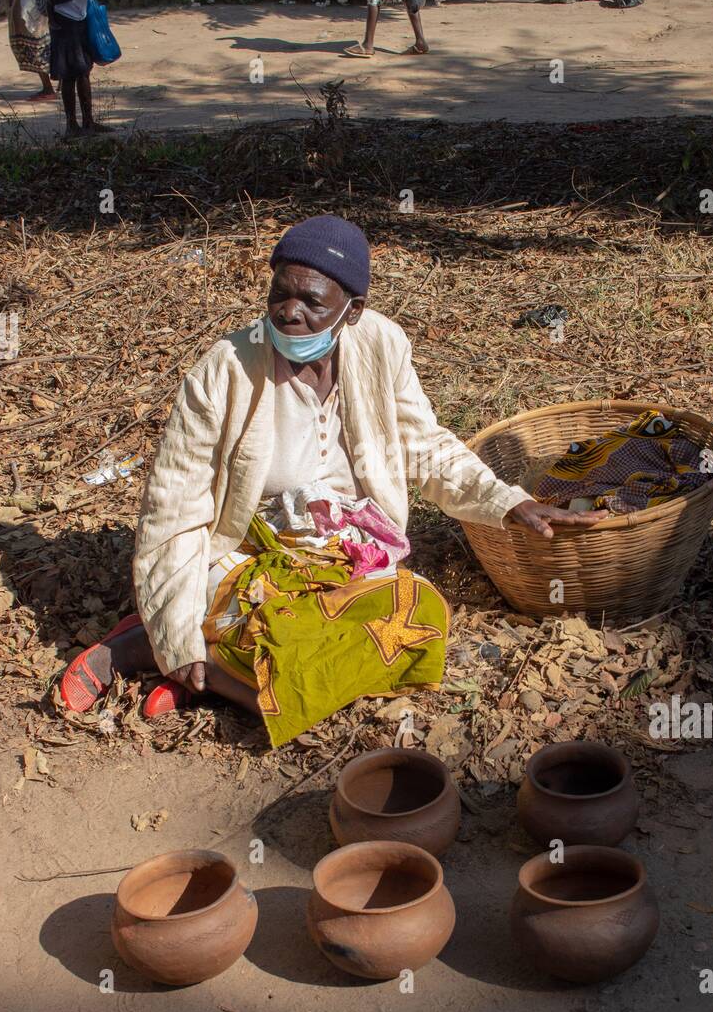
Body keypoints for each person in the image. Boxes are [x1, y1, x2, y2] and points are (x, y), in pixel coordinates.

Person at [59, 216, 605, 747]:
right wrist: (175, 631)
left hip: (348, 557)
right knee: (279, 630)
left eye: (313, 302)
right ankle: (156, 648)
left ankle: (211, 673)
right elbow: (174, 512)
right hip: (249, 556)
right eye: (279, 295)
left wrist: (508, 502)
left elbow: (424, 446)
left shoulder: (382, 347)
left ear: (353, 311)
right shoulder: (223, 372)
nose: (289, 313)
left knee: (420, 620)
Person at [41, 0, 107, 139]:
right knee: (69, 75)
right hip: (64, 23)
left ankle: (89, 122)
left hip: (80, 19)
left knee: (84, 71)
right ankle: (72, 126)